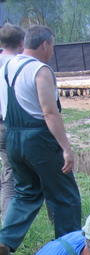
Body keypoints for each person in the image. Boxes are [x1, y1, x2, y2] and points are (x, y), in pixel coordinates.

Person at [0, 25, 81, 255]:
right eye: (53, 46)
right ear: (45, 44)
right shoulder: (40, 70)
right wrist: (66, 148)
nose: (52, 51)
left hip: (12, 137)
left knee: (26, 193)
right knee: (65, 197)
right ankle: (70, 253)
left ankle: (4, 240)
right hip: (39, 140)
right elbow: (49, 112)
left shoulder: (6, 66)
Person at [0, 24, 24, 223]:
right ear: (21, 43)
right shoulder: (18, 64)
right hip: (8, 125)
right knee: (11, 175)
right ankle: (7, 224)